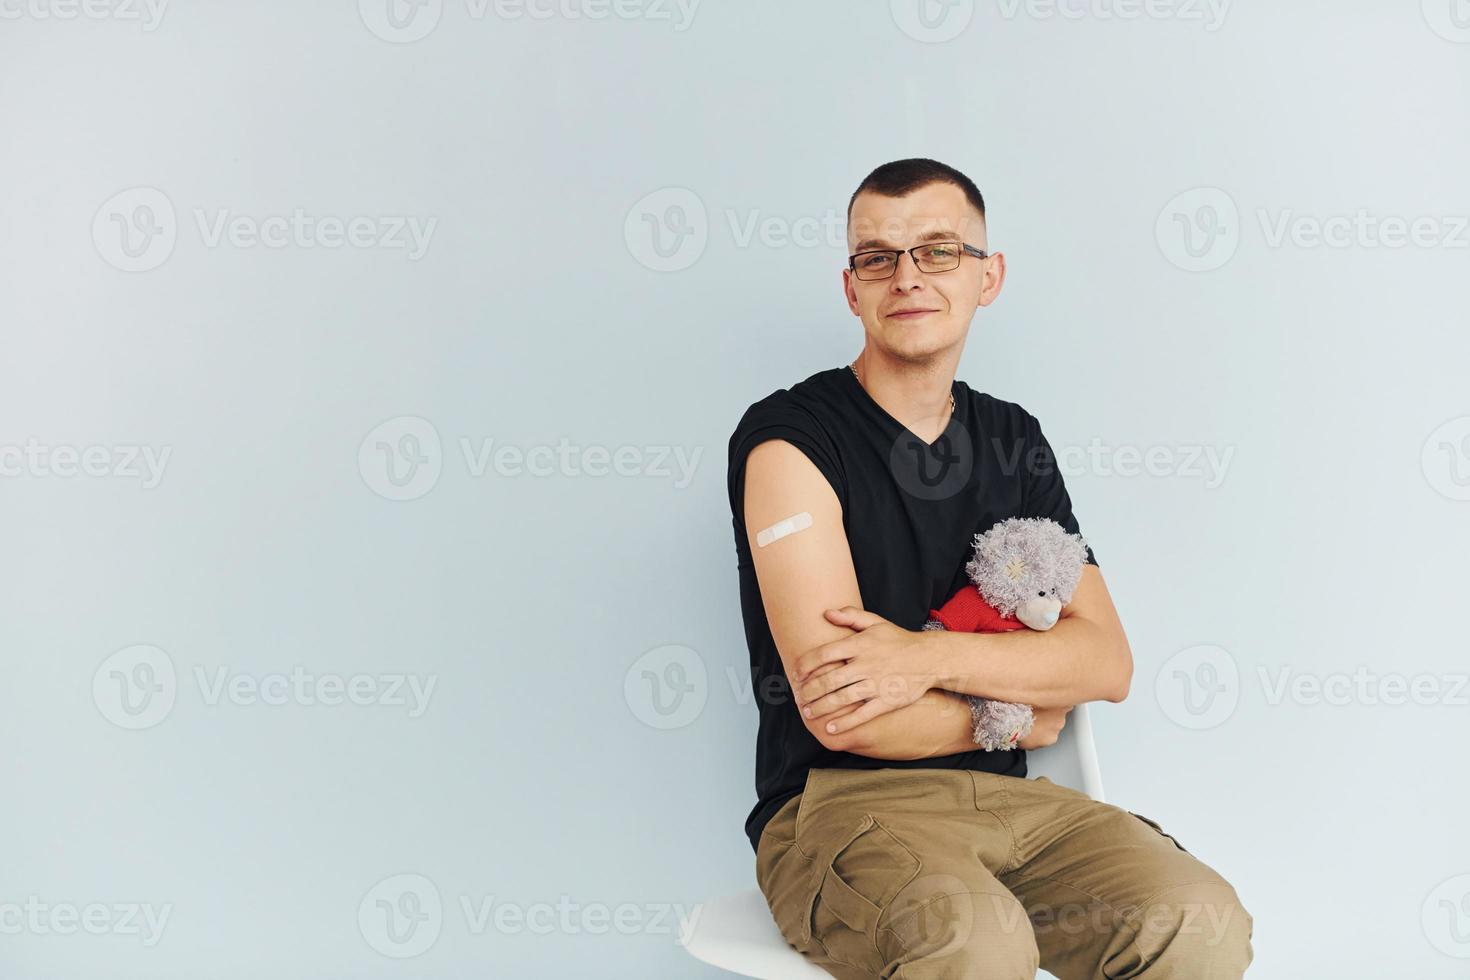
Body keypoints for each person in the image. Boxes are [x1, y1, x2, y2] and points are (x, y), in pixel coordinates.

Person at [725, 158, 1253, 978]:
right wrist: (1021, 715)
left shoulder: (1013, 438)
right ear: (851, 287)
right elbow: (846, 715)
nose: (907, 276)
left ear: (988, 276)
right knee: (974, 940)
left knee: (1198, 920)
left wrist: (924, 656)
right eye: (878, 257)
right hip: (840, 806)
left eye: (938, 251)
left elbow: (1105, 663)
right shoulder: (790, 440)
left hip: (1019, 808)